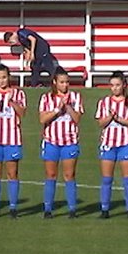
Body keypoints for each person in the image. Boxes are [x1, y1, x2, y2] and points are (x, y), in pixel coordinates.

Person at [0, 64, 27, 219]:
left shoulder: (18, 94)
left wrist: (12, 102)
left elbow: (22, 113)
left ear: (9, 77)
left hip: (12, 138)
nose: (2, 81)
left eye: (4, 77)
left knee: (12, 173)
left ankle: (13, 208)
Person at [94, 71, 128, 218]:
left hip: (126, 143)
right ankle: (105, 208)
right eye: (112, 85)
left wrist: (120, 119)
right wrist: (110, 117)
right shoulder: (104, 102)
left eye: (117, 85)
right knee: (107, 178)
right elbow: (100, 122)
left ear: (124, 85)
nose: (114, 88)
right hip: (108, 143)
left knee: (127, 178)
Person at [38, 66, 83, 219]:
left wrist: (68, 107)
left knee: (69, 174)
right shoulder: (46, 98)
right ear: (55, 82)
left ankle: (72, 209)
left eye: (67, 82)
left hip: (69, 141)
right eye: (62, 82)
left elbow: (77, 119)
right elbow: (42, 119)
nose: (65, 85)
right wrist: (57, 110)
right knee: (51, 174)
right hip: (51, 141)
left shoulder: (75, 97)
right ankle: (48, 209)